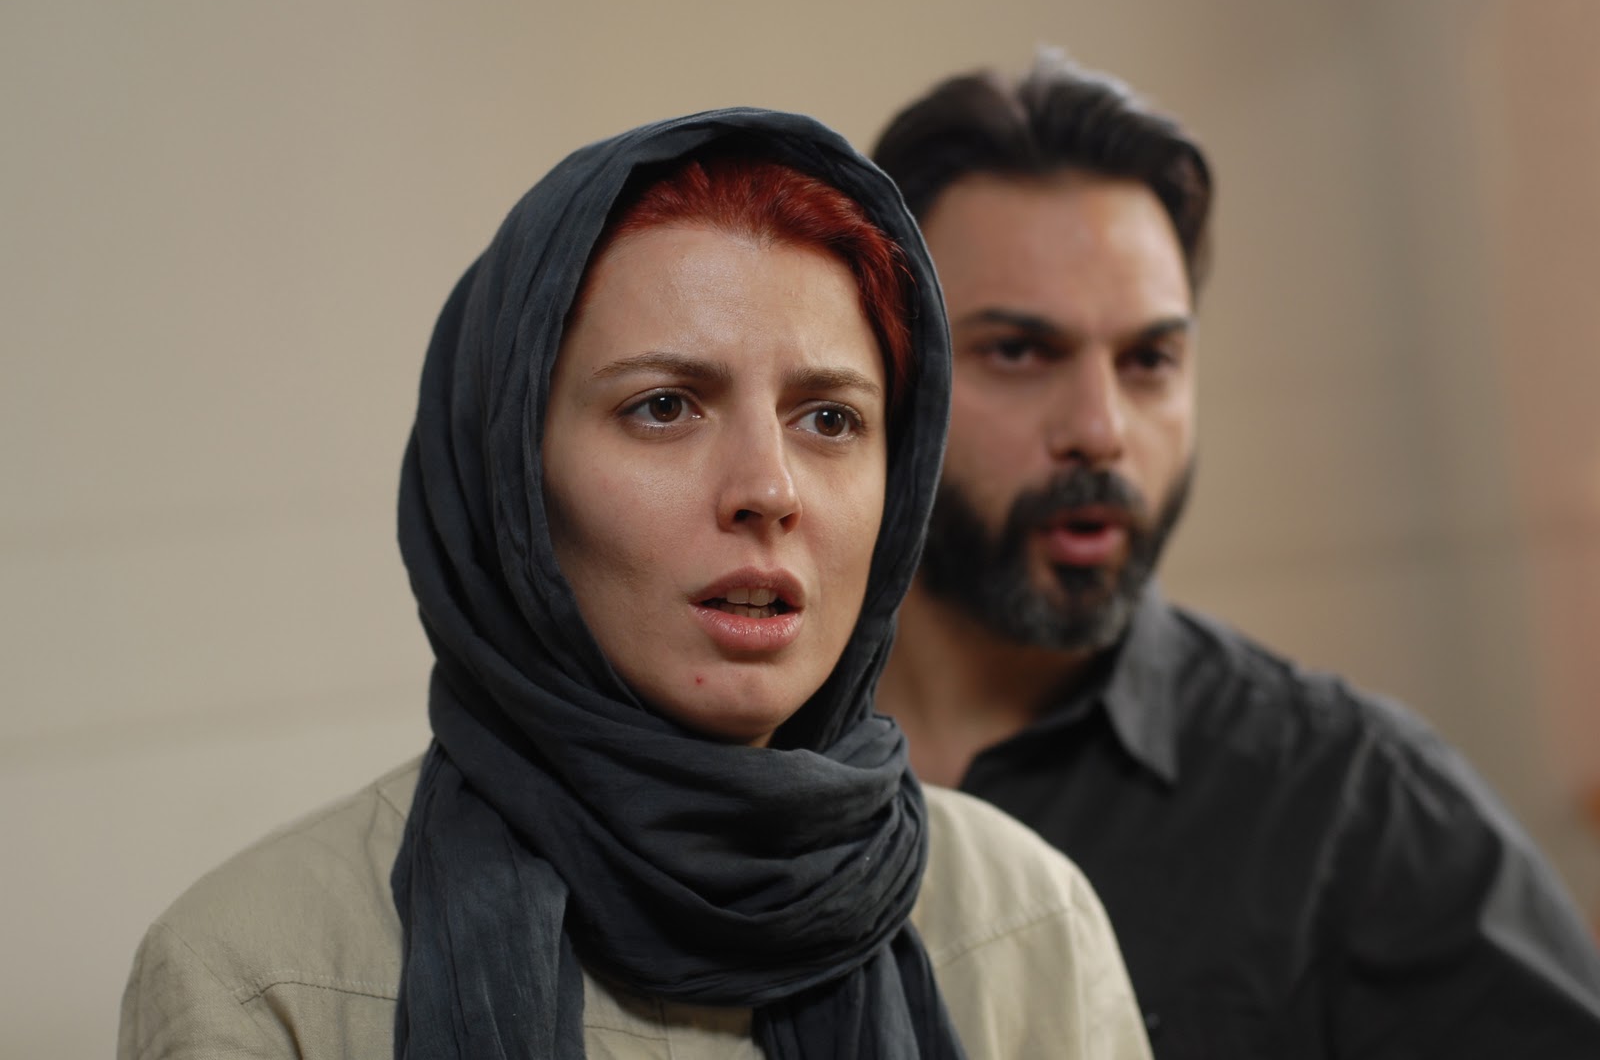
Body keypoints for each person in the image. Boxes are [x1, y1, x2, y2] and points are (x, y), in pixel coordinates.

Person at [117, 108, 1153, 1059]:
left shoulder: (1028, 928)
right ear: (510, 483)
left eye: (829, 418)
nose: (767, 489)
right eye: (664, 406)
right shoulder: (261, 980)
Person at [869, 52, 1600, 1058]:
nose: (1100, 430)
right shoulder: (724, 752)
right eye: (1020, 351)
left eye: (1149, 360)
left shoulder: (1353, 805)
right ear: (883, 370)